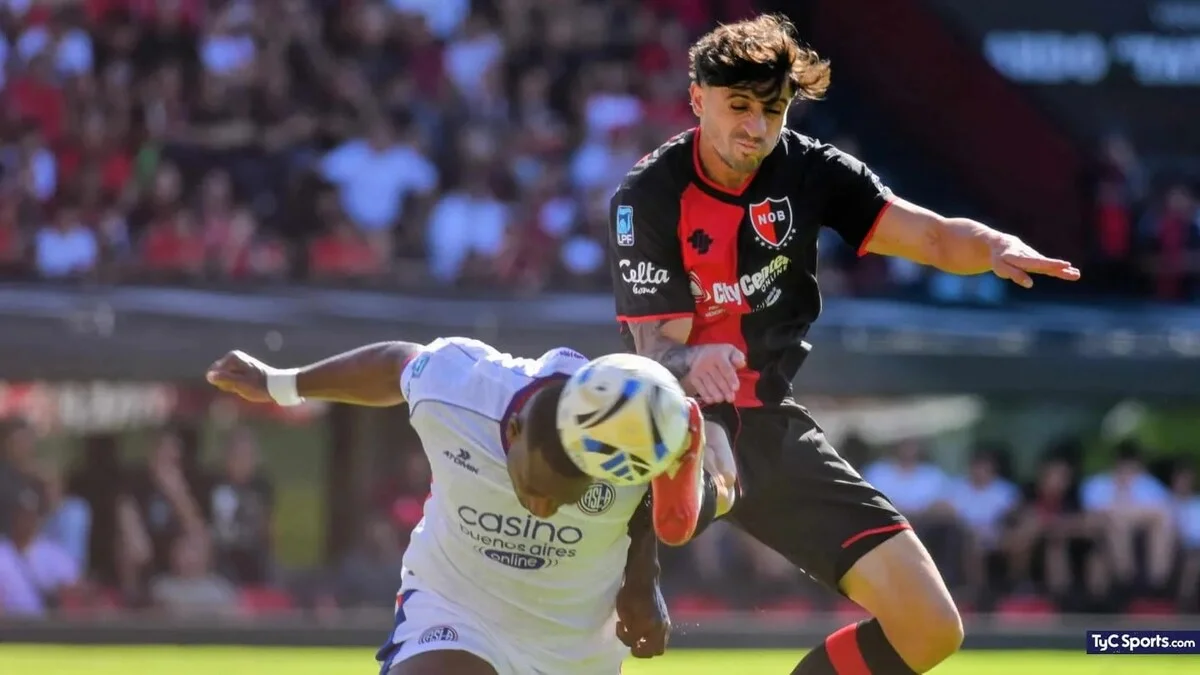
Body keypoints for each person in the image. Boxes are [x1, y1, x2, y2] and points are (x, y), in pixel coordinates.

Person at [607, 13, 1081, 675]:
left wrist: (996, 246)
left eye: (772, 110)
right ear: (697, 100)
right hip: (669, 413)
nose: (755, 127)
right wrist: (695, 360)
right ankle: (689, 492)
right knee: (692, 422)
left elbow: (935, 236)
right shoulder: (649, 196)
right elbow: (658, 349)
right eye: (738, 107)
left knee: (930, 626)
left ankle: (710, 489)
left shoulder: (811, 172)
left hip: (769, 422)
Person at [205, 337, 731, 675]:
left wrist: (642, 578)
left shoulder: (628, 444)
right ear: (515, 429)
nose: (542, 509)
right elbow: (394, 366)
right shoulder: (459, 388)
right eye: (534, 487)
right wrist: (280, 383)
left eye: (562, 498)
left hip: (573, 645)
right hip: (457, 605)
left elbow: (688, 495)